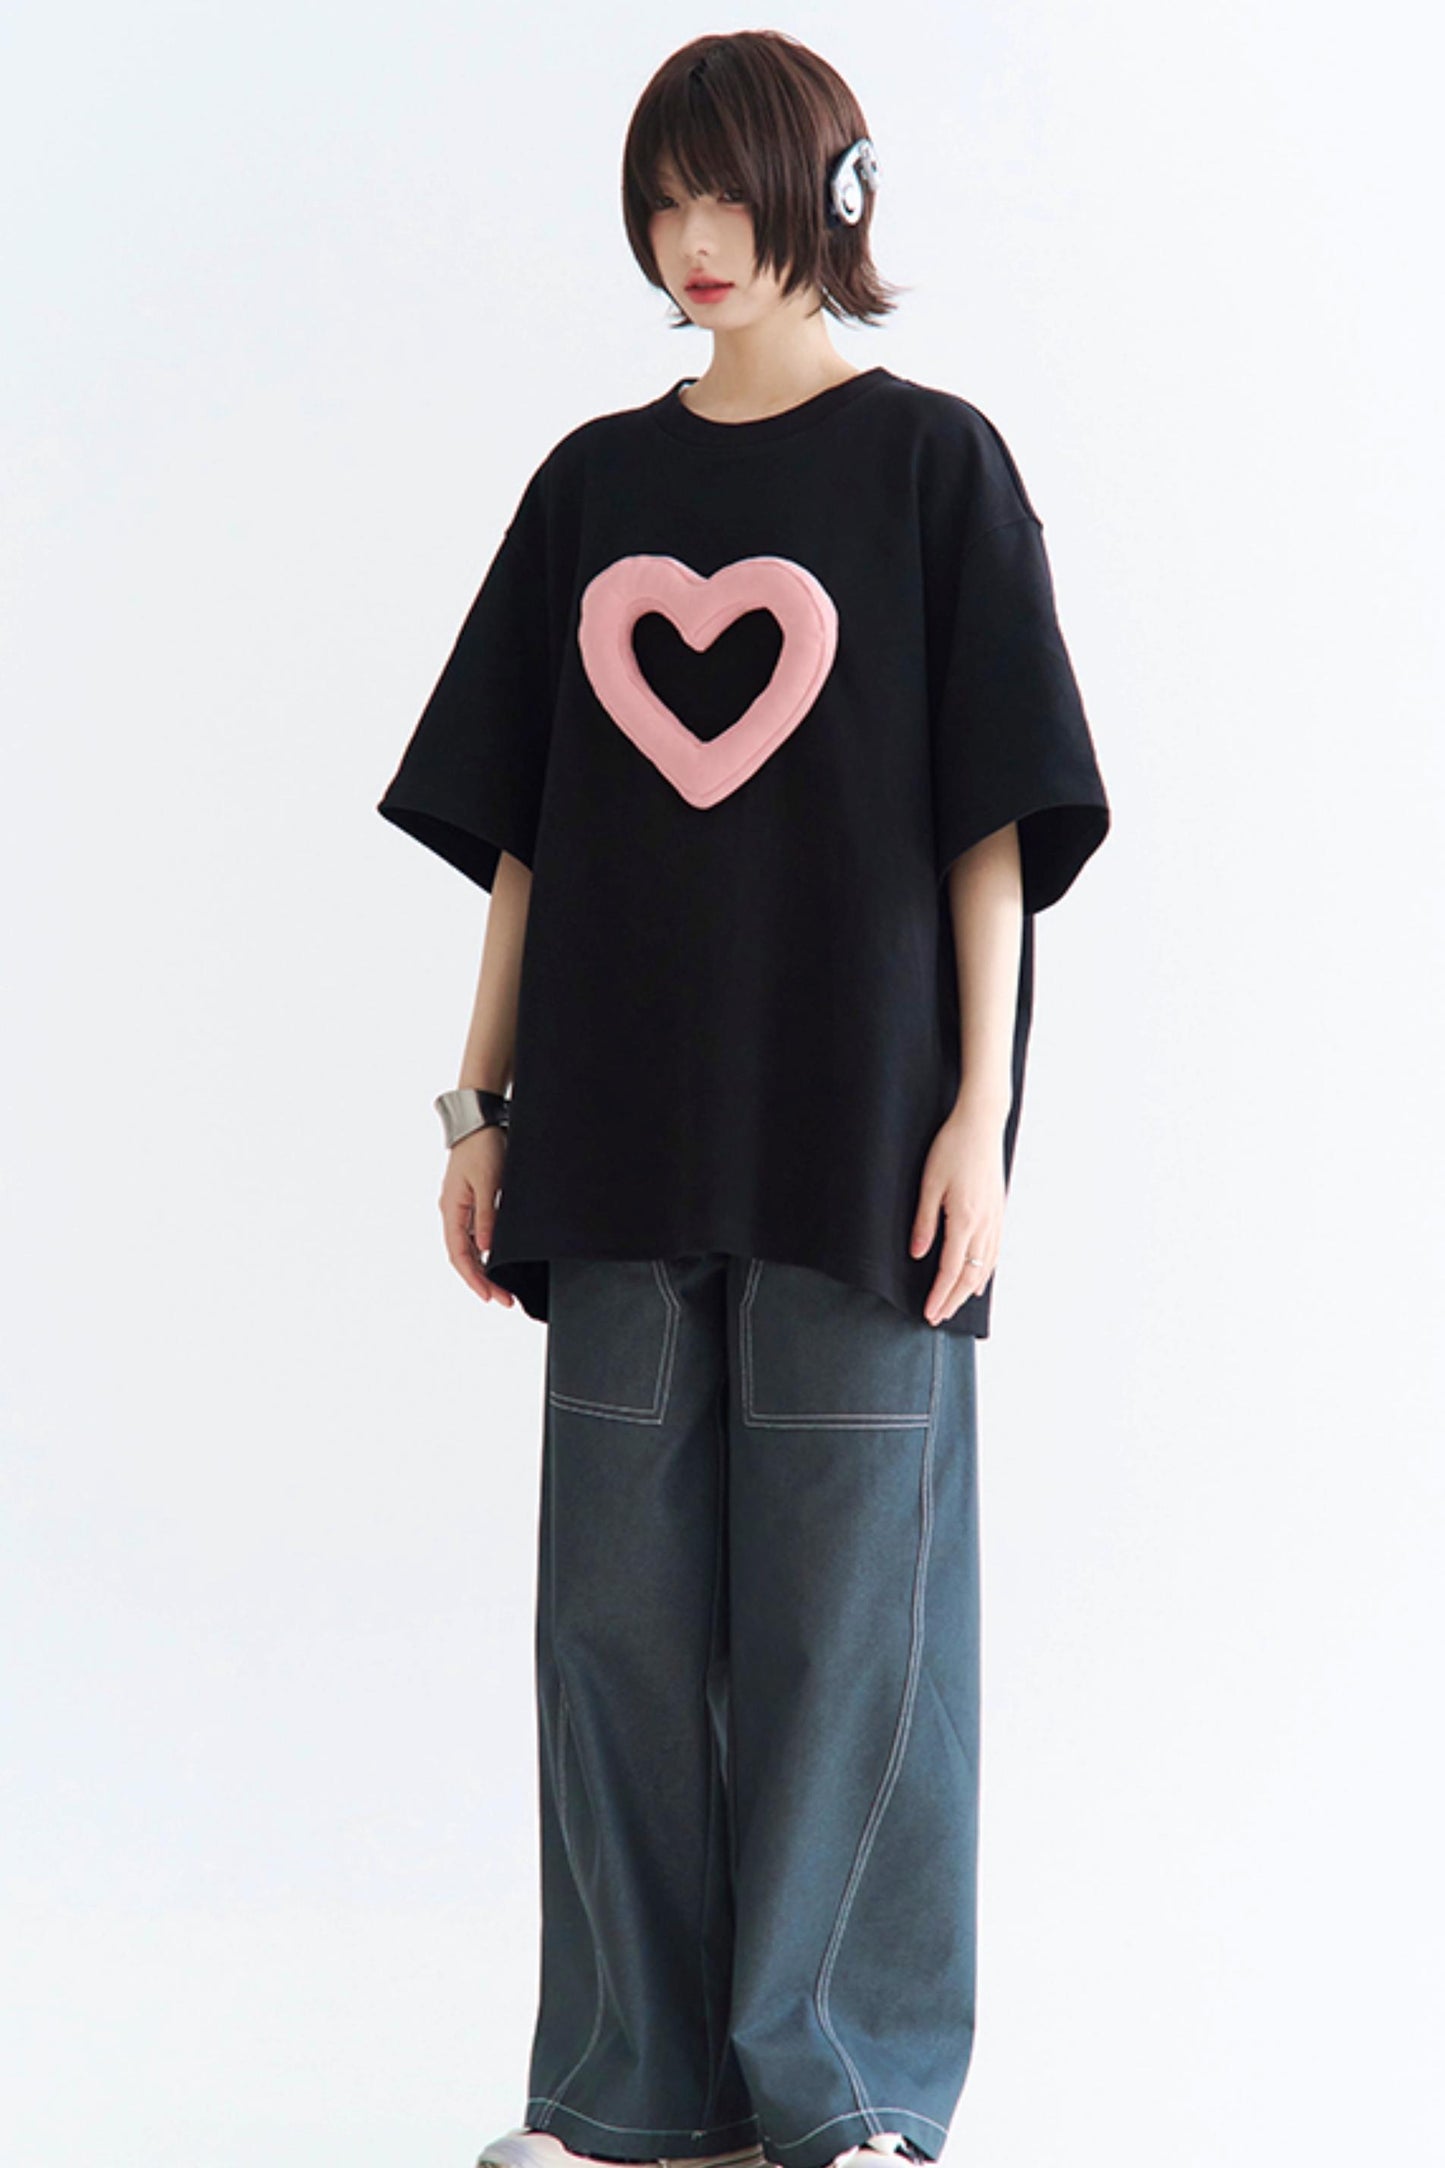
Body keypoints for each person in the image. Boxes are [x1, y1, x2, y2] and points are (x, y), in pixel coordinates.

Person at [376, 30, 1110, 2168]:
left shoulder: (933, 468)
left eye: (730, 194)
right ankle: (622, 2093)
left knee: (852, 1635)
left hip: (856, 1141)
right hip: (611, 1138)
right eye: (664, 200)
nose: (694, 240)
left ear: (833, 200)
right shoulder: (591, 488)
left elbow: (993, 823)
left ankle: (847, 2094)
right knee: (610, 1627)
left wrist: (978, 1115)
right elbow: (527, 825)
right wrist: (474, 1102)